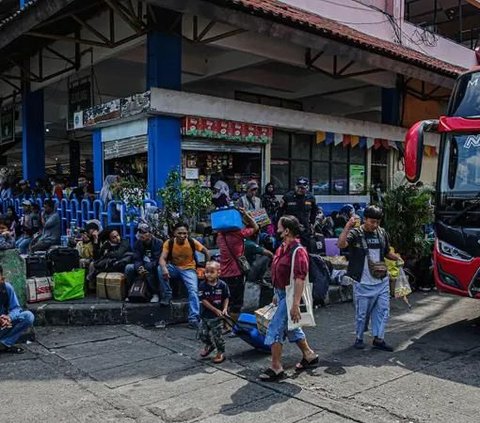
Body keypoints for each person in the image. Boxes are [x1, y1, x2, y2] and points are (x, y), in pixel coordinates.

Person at [259, 215, 318, 382]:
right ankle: (309, 354)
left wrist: (295, 304)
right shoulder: (281, 248)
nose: (276, 229)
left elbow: (300, 278)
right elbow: (278, 272)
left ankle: (276, 367)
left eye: (279, 226)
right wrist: (275, 294)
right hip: (281, 293)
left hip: (291, 296)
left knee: (275, 328)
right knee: (291, 327)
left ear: (286, 230)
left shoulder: (299, 251)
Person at [337, 205, 402, 352]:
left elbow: (386, 252)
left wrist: (398, 258)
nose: (375, 225)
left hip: (381, 281)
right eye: (372, 221)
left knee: (383, 311)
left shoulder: (382, 233)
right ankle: (359, 338)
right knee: (362, 314)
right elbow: (341, 244)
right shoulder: (355, 233)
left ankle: (379, 339)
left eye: (377, 222)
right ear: (365, 219)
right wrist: (347, 226)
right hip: (362, 283)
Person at [159, 223, 210, 327]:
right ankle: (167, 294)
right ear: (174, 233)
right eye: (180, 233)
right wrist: (164, 269)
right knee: (159, 268)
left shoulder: (192, 242)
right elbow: (162, 258)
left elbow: (206, 251)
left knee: (193, 290)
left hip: (189, 269)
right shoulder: (169, 243)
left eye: (185, 233)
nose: (182, 236)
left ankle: (193, 318)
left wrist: (206, 266)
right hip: (174, 267)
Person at [216, 209, 259, 315]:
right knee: (236, 303)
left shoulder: (220, 236)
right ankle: (233, 325)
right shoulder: (238, 233)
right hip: (235, 273)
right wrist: (246, 215)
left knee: (225, 300)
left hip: (223, 273)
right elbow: (255, 227)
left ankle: (225, 324)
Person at [198, 261, 230, 364]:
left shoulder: (222, 285)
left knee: (218, 336)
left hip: (217, 317)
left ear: (218, 273)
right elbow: (203, 300)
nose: (208, 274)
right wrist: (215, 310)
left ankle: (220, 352)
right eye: (207, 272)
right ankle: (209, 345)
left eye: (212, 272)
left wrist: (224, 309)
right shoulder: (202, 285)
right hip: (205, 315)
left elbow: (226, 297)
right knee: (202, 334)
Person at [0, 264, 35, 354]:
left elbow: (16, 308)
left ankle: (4, 343)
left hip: (2, 326)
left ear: (2, 278)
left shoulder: (6, 288)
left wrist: (9, 318)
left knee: (28, 316)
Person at [278, 177, 318, 251]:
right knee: (289, 249)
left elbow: (314, 211)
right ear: (295, 186)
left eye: (302, 188)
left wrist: (312, 223)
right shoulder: (287, 197)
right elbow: (280, 212)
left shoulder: (311, 197)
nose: (300, 190)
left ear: (307, 188)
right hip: (290, 228)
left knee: (305, 249)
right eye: (298, 187)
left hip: (304, 227)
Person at [125, 224, 163, 303]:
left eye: (144, 232)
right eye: (140, 232)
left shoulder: (158, 242)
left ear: (150, 233)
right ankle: (130, 291)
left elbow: (157, 259)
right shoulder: (138, 243)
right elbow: (136, 258)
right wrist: (140, 267)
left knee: (150, 269)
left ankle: (155, 293)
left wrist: (146, 267)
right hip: (141, 265)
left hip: (153, 265)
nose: (141, 234)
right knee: (129, 268)